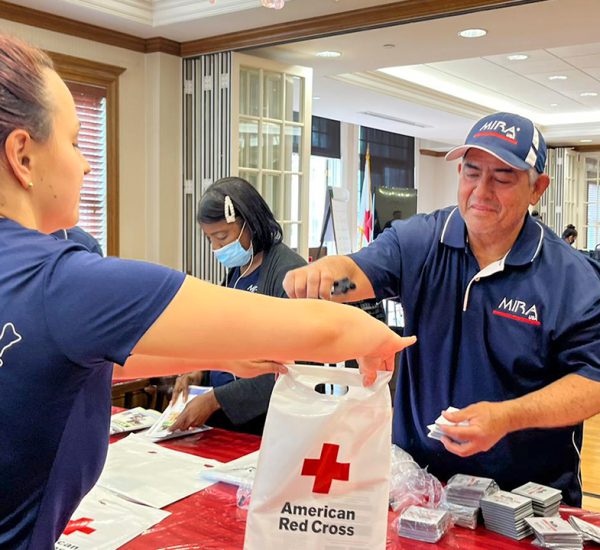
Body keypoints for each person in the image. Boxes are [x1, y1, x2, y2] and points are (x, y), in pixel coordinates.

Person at [0, 36, 416, 549]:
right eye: (75, 142)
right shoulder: (62, 279)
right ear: (22, 155)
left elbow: (79, 361)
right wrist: (373, 337)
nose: (86, 165)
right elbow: (322, 326)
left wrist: (224, 356)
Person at [284, 112, 600, 506]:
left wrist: (506, 418)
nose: (481, 191)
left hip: (526, 504)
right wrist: (327, 277)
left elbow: (593, 383)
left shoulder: (573, 278)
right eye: (471, 173)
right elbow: (356, 274)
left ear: (537, 188)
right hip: (417, 489)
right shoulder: (421, 240)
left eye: (502, 177)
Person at [170, 177, 307, 435]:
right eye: (210, 239)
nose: (217, 248)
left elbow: (286, 368)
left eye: (222, 237)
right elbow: (224, 338)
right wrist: (200, 372)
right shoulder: (238, 271)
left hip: (266, 422)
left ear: (251, 224)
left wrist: (215, 400)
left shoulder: (288, 273)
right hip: (225, 418)